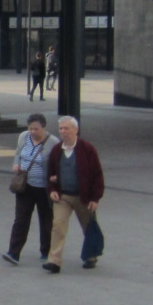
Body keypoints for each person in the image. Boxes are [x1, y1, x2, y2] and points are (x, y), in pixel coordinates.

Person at [44, 115, 104, 272]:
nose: (63, 132)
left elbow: (97, 175)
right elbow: (50, 175)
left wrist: (95, 198)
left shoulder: (87, 149)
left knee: (87, 226)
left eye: (66, 128)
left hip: (83, 197)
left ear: (76, 130)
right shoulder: (57, 150)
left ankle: (91, 256)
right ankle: (54, 261)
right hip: (63, 196)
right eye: (61, 128)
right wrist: (52, 190)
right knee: (58, 226)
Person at [5, 113, 58, 266]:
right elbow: (18, 153)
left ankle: (46, 251)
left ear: (44, 128)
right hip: (25, 186)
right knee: (21, 219)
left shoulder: (53, 142)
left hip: (43, 188)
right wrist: (16, 164)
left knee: (46, 221)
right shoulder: (23, 137)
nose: (33, 132)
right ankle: (13, 252)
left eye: (36, 129)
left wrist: (54, 181)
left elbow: (55, 164)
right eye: (30, 128)